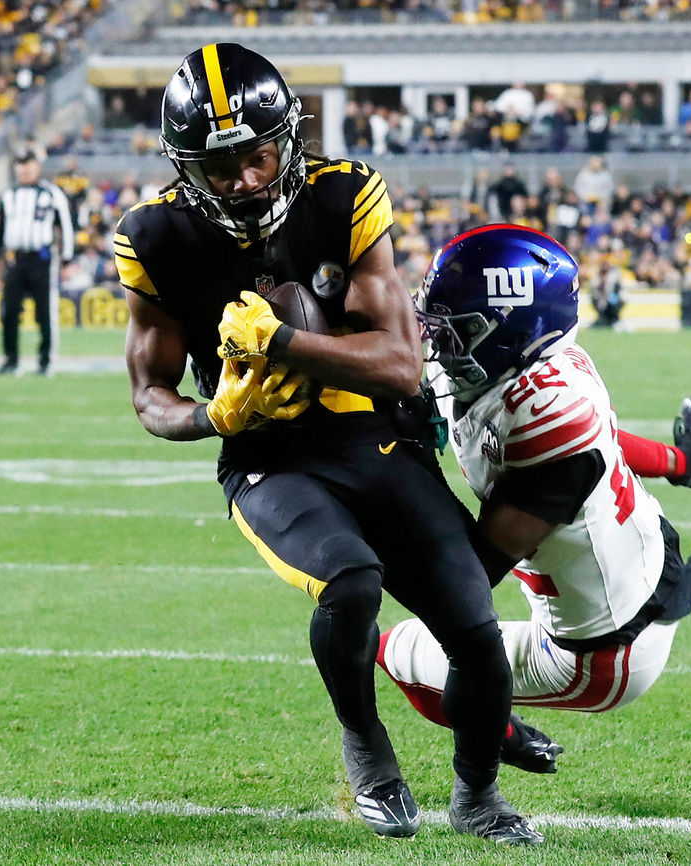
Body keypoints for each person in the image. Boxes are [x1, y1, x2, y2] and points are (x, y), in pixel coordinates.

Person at [113, 44, 540, 844]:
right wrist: (215, 418)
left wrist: (281, 346)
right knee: (350, 582)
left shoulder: (343, 193)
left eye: (257, 155)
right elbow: (149, 397)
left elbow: (402, 364)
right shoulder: (154, 235)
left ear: (288, 139)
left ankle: (477, 797)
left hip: (375, 438)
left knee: (477, 633)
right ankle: (367, 747)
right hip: (270, 459)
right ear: (184, 167)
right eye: (220, 166)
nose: (243, 179)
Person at [378, 225, 691, 765]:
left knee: (395, 649)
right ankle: (494, 720)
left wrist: (401, 468)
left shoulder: (542, 425)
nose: (435, 338)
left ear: (507, 330)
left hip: (600, 657)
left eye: (455, 328)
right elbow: (604, 442)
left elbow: (465, 582)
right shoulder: (544, 367)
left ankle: (494, 733)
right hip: (643, 571)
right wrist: (684, 464)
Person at [0, 146, 74, 376]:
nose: (24, 169)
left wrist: (67, 258)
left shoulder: (51, 193)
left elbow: (65, 226)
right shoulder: (8, 195)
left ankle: (46, 361)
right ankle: (11, 360)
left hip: (42, 259)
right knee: (9, 311)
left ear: (37, 166)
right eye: (20, 164)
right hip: (16, 259)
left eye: (28, 163)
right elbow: (1, 229)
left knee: (45, 311)